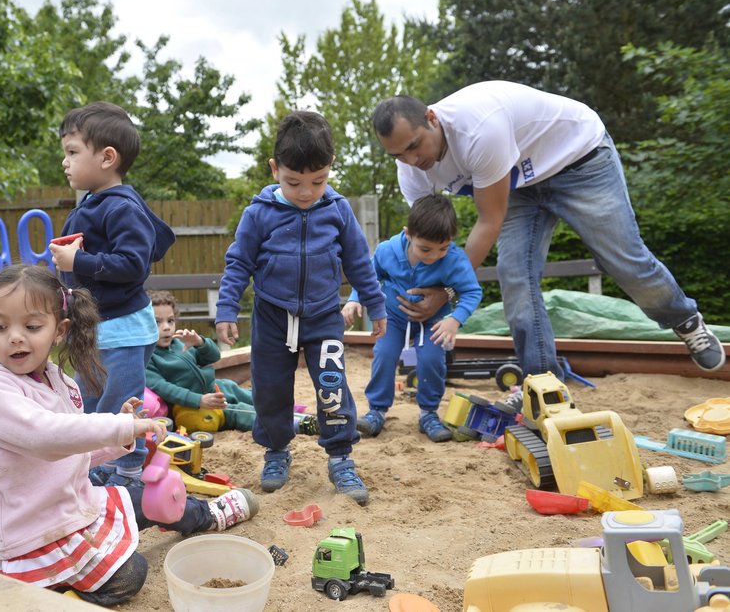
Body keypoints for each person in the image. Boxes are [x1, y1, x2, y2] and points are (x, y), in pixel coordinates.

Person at [0, 265, 258, 608]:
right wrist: (119, 427)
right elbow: (46, 437)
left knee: (147, 496)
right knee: (132, 572)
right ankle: (58, 591)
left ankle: (206, 515)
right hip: (31, 535)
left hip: (70, 505)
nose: (15, 337)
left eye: (31, 327)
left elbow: (71, 449)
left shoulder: (56, 380)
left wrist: (116, 435)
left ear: (59, 331)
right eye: (2, 327)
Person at [372, 81, 725, 378]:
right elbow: (426, 239)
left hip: (579, 160)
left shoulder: (480, 130)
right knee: (514, 275)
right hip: (522, 185)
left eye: (415, 145)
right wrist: (416, 292)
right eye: (398, 155)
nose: (412, 160)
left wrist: (446, 291)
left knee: (623, 260)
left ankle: (686, 320)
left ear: (431, 118)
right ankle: (543, 383)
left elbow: (489, 220)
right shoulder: (411, 170)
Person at [215, 111, 387, 505]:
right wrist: (226, 309)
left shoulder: (338, 210)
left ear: (329, 170)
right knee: (271, 390)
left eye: (318, 181)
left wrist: (375, 306)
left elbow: (360, 261)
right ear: (275, 169)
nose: (307, 192)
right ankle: (277, 451)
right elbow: (239, 262)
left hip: (324, 315)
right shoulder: (259, 213)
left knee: (332, 387)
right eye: (294, 182)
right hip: (273, 316)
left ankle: (341, 458)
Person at [49, 101, 177, 488]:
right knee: (87, 403)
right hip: (97, 329)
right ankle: (92, 467)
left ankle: (128, 474)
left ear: (107, 157)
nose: (65, 162)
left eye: (73, 152)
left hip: (122, 331)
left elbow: (133, 265)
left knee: (118, 407)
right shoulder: (95, 203)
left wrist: (79, 261)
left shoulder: (121, 207)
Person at [342, 194, 482, 441]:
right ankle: (376, 411)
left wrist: (455, 319)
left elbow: (471, 291)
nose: (434, 255)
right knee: (384, 354)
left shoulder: (454, 259)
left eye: (443, 248)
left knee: (431, 358)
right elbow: (368, 277)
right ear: (408, 234)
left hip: (434, 321)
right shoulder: (387, 251)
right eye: (425, 248)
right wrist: (354, 298)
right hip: (394, 318)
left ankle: (428, 413)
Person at [146, 290, 319, 435]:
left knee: (253, 396)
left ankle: (293, 410)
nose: (166, 327)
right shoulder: (148, 358)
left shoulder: (181, 342)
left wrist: (200, 342)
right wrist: (199, 400)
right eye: (157, 322)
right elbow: (166, 389)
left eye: (170, 320)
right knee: (239, 411)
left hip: (216, 387)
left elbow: (213, 357)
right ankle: (297, 425)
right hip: (194, 403)